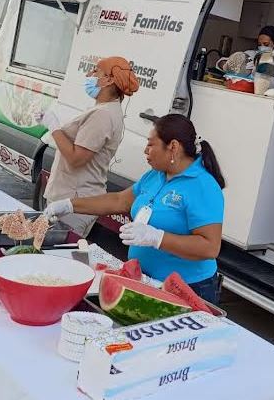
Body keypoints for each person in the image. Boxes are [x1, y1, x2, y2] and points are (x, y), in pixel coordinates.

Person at [44, 114, 226, 303]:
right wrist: (70, 205)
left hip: (188, 288)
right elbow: (119, 200)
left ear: (173, 146)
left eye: (151, 144)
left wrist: (157, 238)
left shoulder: (203, 186)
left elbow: (210, 247)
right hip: (145, 280)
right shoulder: (156, 175)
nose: (145, 150)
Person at [40, 56, 139, 236]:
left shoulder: (102, 115)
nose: (89, 75)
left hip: (74, 202)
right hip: (74, 199)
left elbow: (76, 159)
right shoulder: (105, 109)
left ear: (108, 80)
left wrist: (53, 127)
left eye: (95, 71)